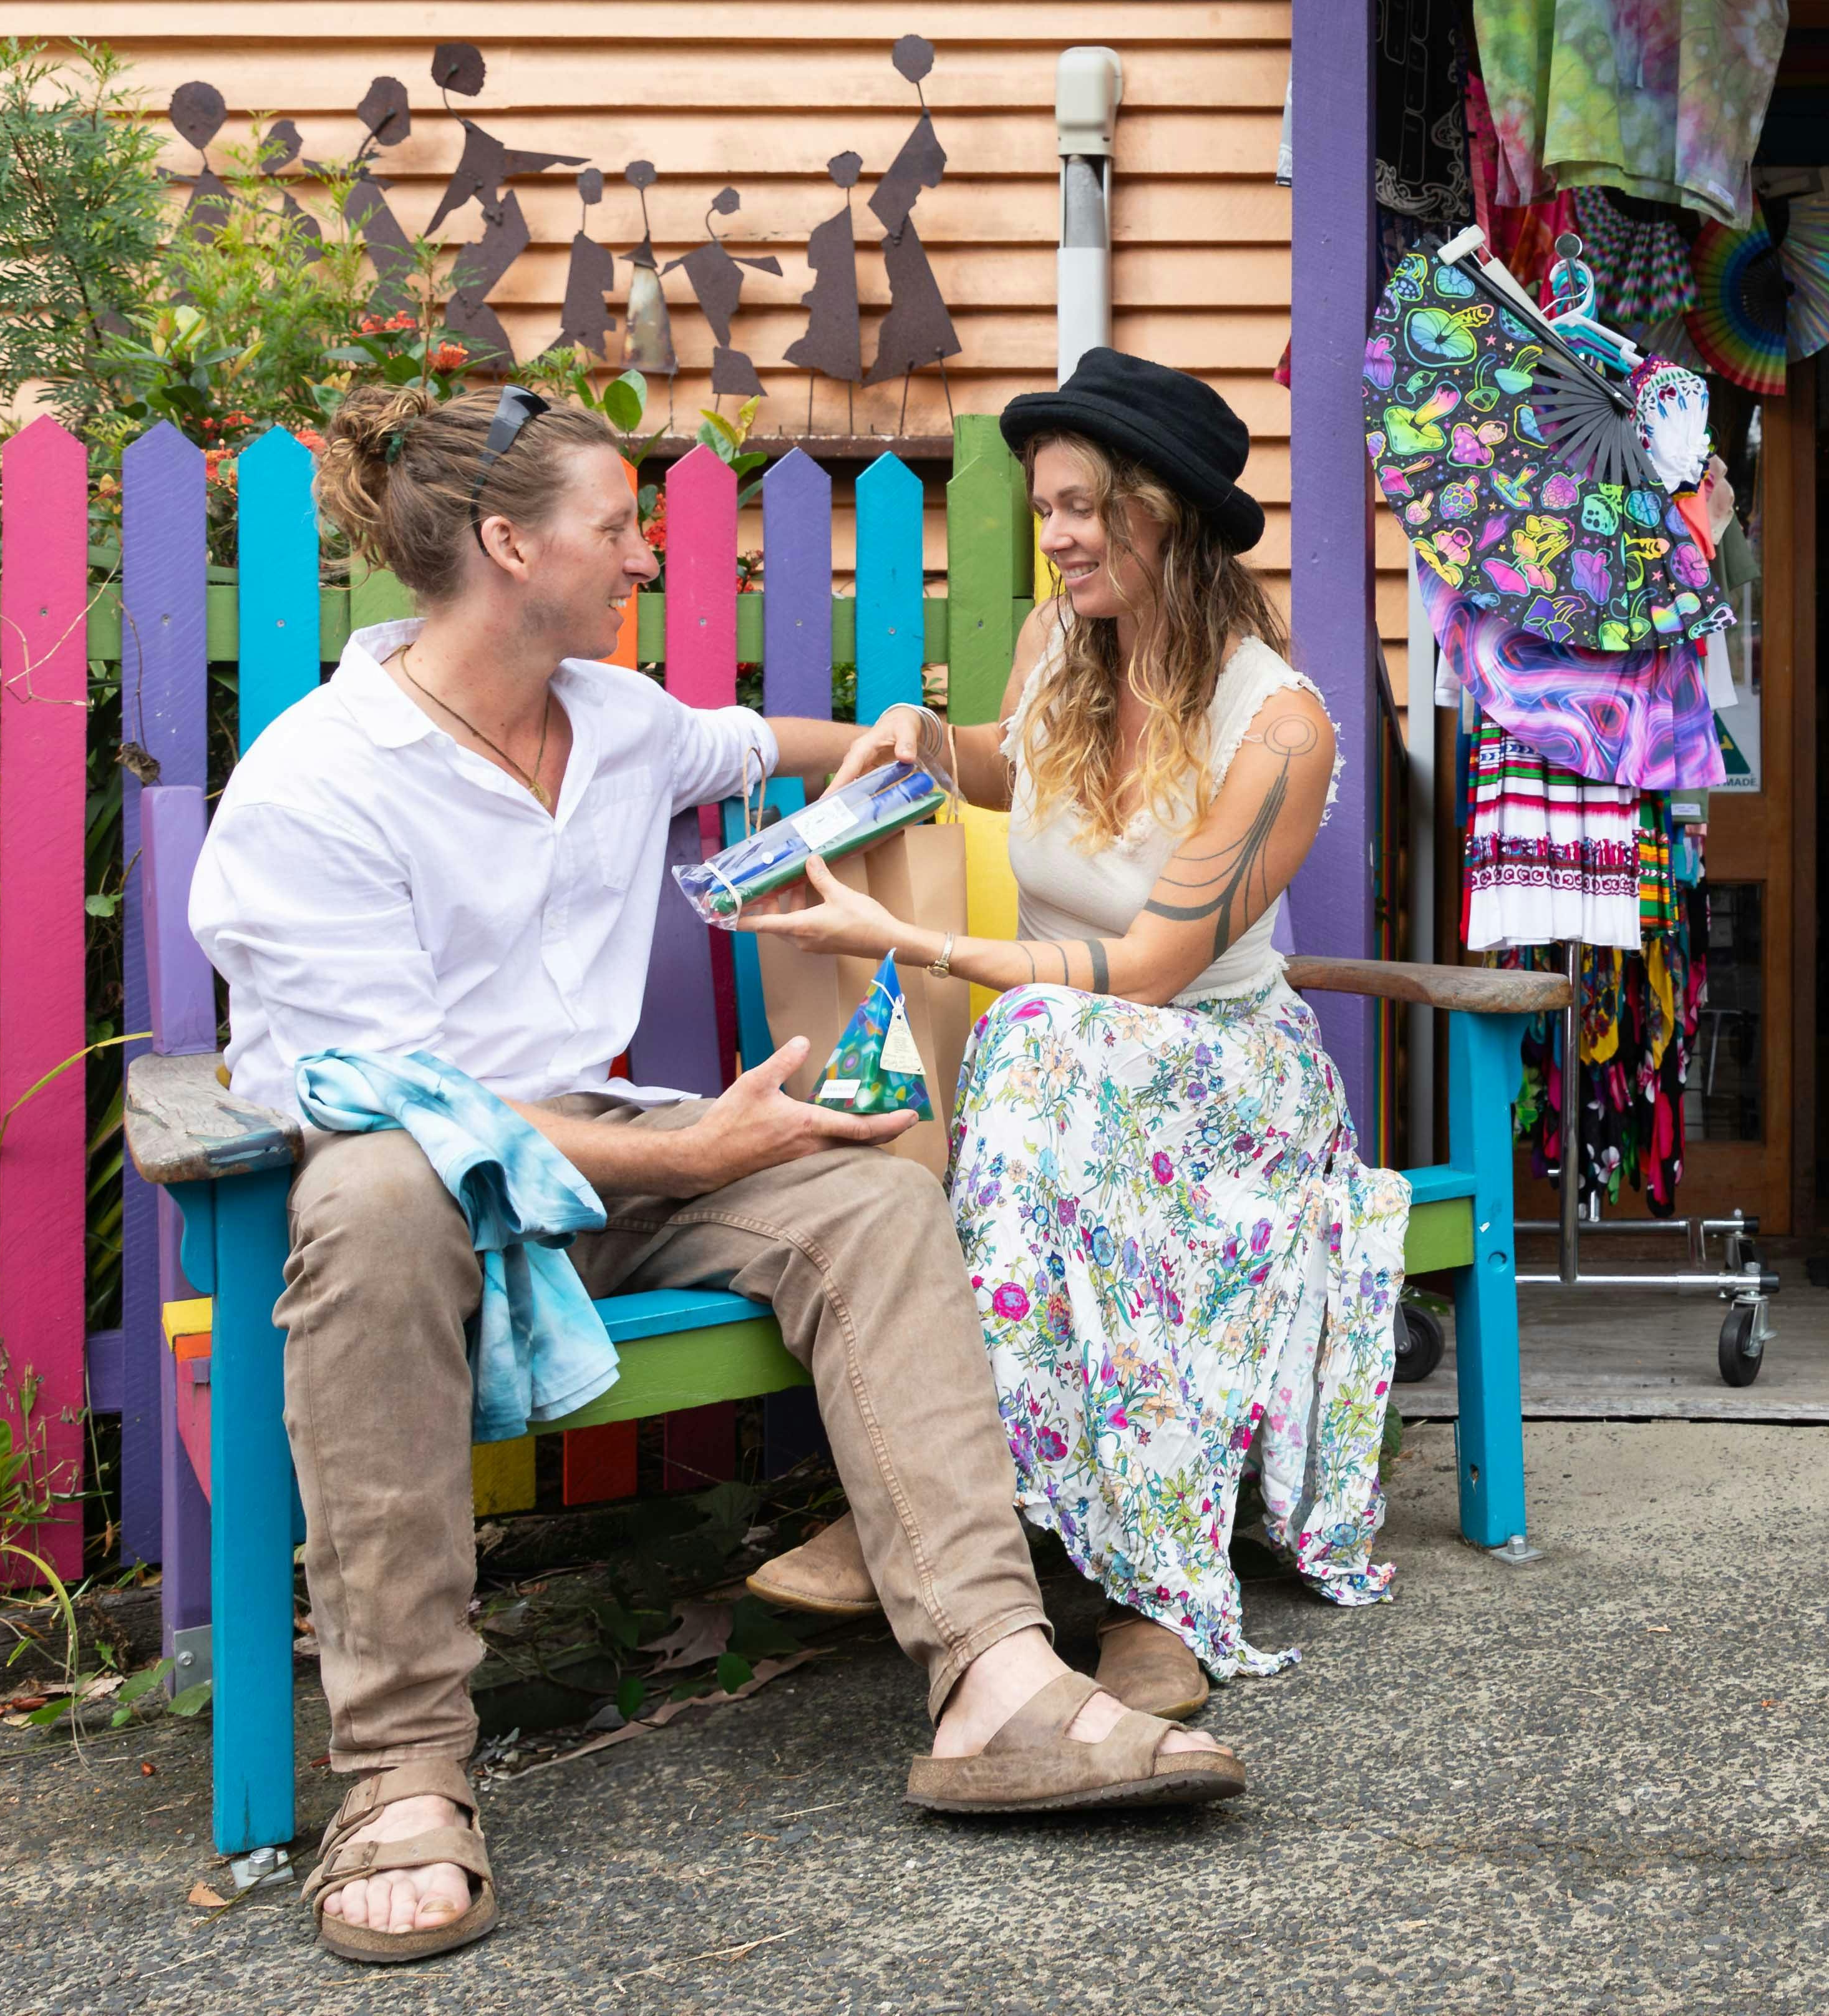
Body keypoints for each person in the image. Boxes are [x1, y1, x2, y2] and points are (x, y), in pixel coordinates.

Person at [192, 381, 1241, 1969]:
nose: (640, 556)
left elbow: (776, 742)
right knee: (374, 1190)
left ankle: (992, 1676)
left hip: (624, 1157)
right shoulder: (319, 781)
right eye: (616, 527)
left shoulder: (610, 714)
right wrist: (692, 1140)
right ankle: (402, 1770)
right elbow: (399, 1102)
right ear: (507, 543)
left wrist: (906, 746)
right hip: (434, 1183)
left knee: (877, 1182)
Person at [734, 347, 1414, 1697]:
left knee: (1043, 1053)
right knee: (1048, 1074)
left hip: (1224, 1081)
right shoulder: (1061, 645)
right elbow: (1018, 766)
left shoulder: (1278, 727)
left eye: (1084, 508)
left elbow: (1153, 967)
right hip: (1071, 1081)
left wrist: (909, 939)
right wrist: (932, 737)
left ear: (1167, 513)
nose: (1057, 536)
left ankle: (1120, 1581)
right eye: (1046, 508)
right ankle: (1077, 1562)